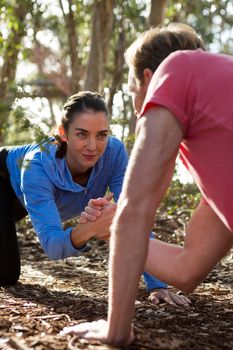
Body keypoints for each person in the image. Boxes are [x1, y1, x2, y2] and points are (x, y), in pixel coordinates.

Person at [61, 23, 233, 345]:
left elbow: (136, 211)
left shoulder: (176, 70)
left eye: (132, 92)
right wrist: (113, 225)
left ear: (150, 79)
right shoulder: (221, 162)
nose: (140, 107)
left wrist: (116, 330)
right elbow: (187, 269)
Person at [0, 91, 188, 306]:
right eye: (82, 134)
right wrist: (90, 229)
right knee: (6, 274)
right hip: (3, 180)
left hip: (23, 197)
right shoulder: (36, 166)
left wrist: (157, 285)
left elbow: (135, 214)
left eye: (101, 135)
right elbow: (52, 245)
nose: (92, 146)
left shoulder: (114, 153)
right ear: (63, 133)